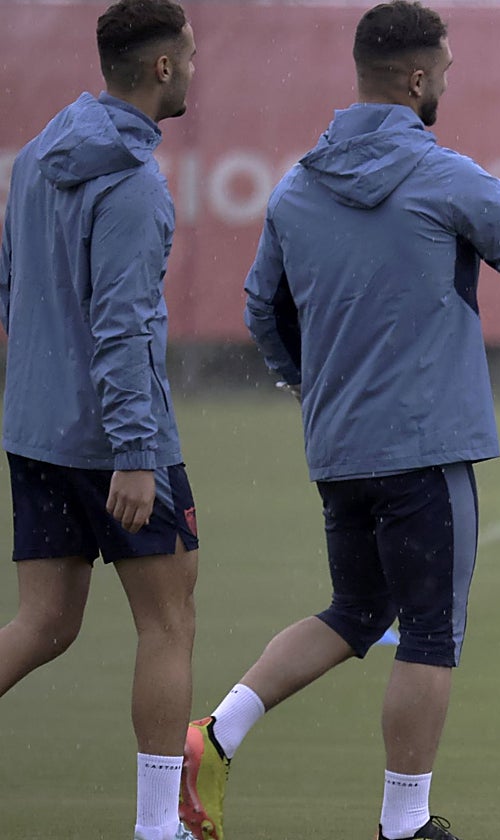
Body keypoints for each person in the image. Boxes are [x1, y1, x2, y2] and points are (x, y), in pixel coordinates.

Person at [175, 3, 500, 840]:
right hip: (426, 450)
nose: (451, 84)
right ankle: (404, 825)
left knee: (357, 610)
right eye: (448, 71)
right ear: (419, 79)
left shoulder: (297, 185)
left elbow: (261, 312)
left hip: (341, 449)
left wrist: (312, 386)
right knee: (430, 631)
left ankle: (217, 732)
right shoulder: (444, 175)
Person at [0, 3, 200, 840]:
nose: (194, 66)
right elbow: (125, 328)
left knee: (42, 625)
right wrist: (132, 452)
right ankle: (159, 827)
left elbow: (11, 285)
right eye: (189, 55)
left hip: (35, 427)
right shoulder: (134, 185)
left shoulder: (41, 154)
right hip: (117, 442)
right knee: (170, 621)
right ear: (160, 68)